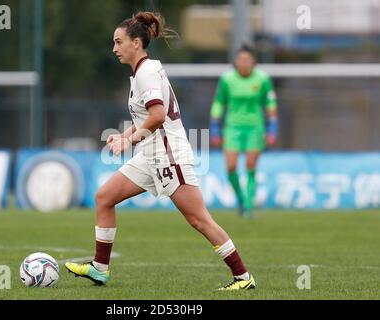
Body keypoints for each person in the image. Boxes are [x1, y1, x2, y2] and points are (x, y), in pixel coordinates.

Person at [65, 12, 255, 291]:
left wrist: (129, 141)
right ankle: (100, 269)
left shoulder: (146, 73)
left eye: (119, 42)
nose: (114, 48)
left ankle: (243, 277)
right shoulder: (142, 72)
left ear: (137, 43)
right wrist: (125, 136)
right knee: (104, 197)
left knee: (199, 219)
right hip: (151, 154)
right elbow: (149, 119)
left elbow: (156, 116)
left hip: (168, 154)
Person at [210, 44, 278, 218]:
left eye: (247, 60)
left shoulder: (262, 79)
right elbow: (219, 103)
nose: (244, 63)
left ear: (253, 62)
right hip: (232, 127)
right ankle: (241, 198)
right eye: (241, 60)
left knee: (250, 166)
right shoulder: (227, 79)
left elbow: (270, 104)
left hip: (255, 127)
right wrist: (215, 129)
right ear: (236, 62)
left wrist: (272, 129)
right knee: (231, 166)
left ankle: (248, 207)